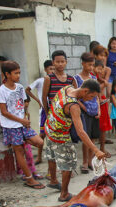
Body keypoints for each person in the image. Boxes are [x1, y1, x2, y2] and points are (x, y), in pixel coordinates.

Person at [45, 79, 105, 201]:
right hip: (60, 135)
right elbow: (81, 132)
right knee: (68, 163)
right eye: (91, 96)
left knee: (51, 156)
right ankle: (64, 194)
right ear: (85, 91)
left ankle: (53, 180)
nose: (91, 99)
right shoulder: (74, 106)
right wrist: (96, 150)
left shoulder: (66, 88)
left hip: (49, 128)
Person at [0, 61, 45, 189]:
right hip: (11, 126)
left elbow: (23, 104)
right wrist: (21, 121)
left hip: (23, 124)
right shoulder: (1, 91)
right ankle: (29, 179)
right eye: (15, 73)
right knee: (19, 152)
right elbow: (4, 112)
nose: (18, 75)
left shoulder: (19, 87)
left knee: (39, 142)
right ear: (7, 74)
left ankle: (23, 142)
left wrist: (25, 118)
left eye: (19, 72)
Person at [42, 50, 77, 184]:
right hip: (53, 120)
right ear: (53, 62)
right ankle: (53, 177)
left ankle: (65, 172)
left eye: (62, 61)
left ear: (66, 62)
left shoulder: (70, 79)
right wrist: (47, 114)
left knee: (66, 146)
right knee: (52, 149)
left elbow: (75, 97)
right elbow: (45, 98)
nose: (60, 64)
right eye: (57, 61)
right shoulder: (48, 78)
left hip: (66, 120)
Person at [74, 53, 100, 174]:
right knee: (86, 137)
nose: (91, 67)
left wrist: (99, 109)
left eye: (92, 65)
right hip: (84, 112)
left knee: (94, 137)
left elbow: (97, 97)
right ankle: (84, 162)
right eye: (89, 64)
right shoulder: (77, 79)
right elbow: (75, 97)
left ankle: (90, 161)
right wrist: (83, 107)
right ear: (83, 63)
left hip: (95, 111)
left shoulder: (94, 78)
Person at [25, 60, 55, 165]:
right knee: (42, 134)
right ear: (46, 69)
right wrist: (38, 100)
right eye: (50, 69)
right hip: (44, 110)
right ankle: (39, 157)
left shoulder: (56, 80)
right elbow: (27, 90)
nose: (52, 71)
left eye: (53, 69)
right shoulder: (40, 81)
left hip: (54, 110)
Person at [15, 95, 43, 180]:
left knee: (29, 155)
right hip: (18, 135)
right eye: (24, 102)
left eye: (27, 102)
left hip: (26, 136)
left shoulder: (27, 113)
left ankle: (33, 171)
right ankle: (23, 173)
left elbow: (28, 126)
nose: (26, 104)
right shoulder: (17, 113)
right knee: (19, 155)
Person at [93, 45, 113, 157]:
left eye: (105, 55)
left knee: (104, 125)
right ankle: (94, 149)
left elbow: (105, 83)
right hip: (92, 99)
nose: (103, 57)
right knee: (94, 126)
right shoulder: (92, 69)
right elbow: (102, 84)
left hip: (102, 98)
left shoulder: (107, 69)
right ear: (95, 56)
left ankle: (102, 148)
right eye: (101, 55)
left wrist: (98, 87)